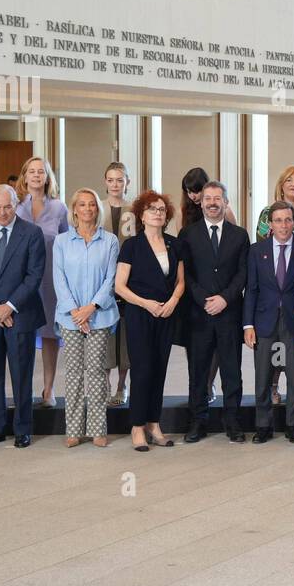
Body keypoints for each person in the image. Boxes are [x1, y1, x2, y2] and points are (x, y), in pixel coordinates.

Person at [0, 184, 47, 448]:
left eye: (8, 206)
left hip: (21, 314)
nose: (3, 213)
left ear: (16, 205)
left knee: (21, 372)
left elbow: (34, 275)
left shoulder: (32, 233)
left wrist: (9, 306)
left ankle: (23, 428)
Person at [114, 191, 185, 452]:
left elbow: (180, 281)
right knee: (142, 370)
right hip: (140, 314)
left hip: (166, 314)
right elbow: (119, 286)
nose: (157, 213)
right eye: (152, 209)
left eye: (161, 209)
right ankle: (136, 426)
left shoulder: (174, 244)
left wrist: (173, 302)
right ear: (141, 215)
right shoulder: (131, 246)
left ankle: (154, 424)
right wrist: (146, 304)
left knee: (159, 369)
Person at [179, 180, 248, 442]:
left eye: (217, 198)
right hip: (199, 314)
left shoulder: (239, 235)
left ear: (225, 202)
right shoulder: (189, 234)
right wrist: (204, 299)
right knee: (198, 372)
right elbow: (187, 274)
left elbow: (243, 273)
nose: (211, 203)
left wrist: (224, 299)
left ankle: (233, 422)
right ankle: (198, 422)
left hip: (229, 313)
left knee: (232, 371)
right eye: (207, 198)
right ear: (201, 202)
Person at [53, 188, 121, 448]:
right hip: (70, 318)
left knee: (95, 372)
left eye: (92, 204)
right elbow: (58, 279)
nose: (88, 209)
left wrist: (91, 308)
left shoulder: (110, 241)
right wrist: (74, 311)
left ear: (97, 209)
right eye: (82, 204)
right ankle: (73, 430)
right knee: (73, 373)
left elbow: (110, 279)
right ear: (74, 209)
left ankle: (97, 429)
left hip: (99, 316)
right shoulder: (61, 242)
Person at [244, 200, 294, 444]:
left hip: (293, 321)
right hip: (264, 322)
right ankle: (263, 426)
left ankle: (293, 425)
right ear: (270, 224)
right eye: (278, 220)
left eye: (287, 220)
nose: (283, 225)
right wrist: (248, 325)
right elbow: (251, 290)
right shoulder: (257, 251)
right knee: (263, 377)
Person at [14, 156, 70, 407]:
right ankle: (22, 390)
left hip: (49, 278)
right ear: (24, 177)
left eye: (41, 172)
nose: (36, 176)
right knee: (21, 334)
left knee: (49, 334)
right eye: (32, 171)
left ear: (48, 178)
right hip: (20, 279)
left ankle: (48, 389)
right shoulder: (14, 206)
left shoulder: (59, 208)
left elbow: (68, 245)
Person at [101, 161, 135, 406]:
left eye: (120, 180)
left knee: (124, 337)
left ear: (127, 183)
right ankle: (104, 382)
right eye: (111, 180)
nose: (115, 184)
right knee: (103, 335)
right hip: (102, 282)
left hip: (128, 283)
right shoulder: (97, 209)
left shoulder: (134, 210)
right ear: (105, 182)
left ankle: (122, 385)